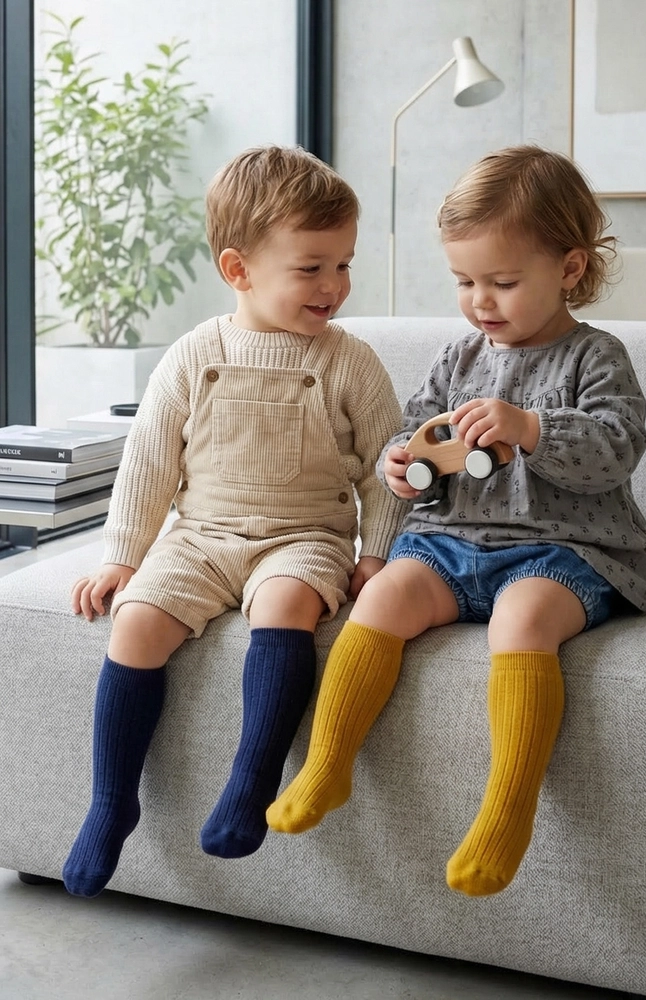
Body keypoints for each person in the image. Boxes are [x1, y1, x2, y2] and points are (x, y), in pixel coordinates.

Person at [266, 145, 646, 896]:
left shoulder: (596, 357)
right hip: (454, 542)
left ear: (570, 268)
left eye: (502, 282)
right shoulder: (457, 358)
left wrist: (533, 428)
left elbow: (617, 450)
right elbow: (417, 430)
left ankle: (507, 812)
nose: (481, 301)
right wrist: (400, 461)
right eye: (464, 281)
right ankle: (327, 764)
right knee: (382, 594)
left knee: (523, 618)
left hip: (563, 550)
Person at [62, 145, 405, 898]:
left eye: (343, 265)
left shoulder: (350, 361)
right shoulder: (194, 354)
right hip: (201, 537)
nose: (334, 285)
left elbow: (390, 466)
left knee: (285, 607)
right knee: (136, 622)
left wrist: (375, 553)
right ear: (238, 269)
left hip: (303, 538)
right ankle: (112, 803)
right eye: (311, 267)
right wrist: (122, 556)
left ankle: (252, 781)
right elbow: (149, 459)